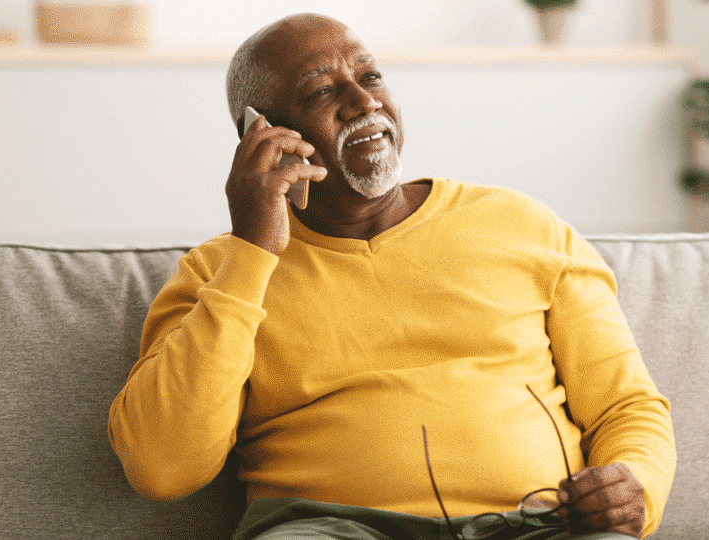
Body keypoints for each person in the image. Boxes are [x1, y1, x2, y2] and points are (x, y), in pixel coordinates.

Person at [108, 13, 675, 540]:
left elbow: (627, 407)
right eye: (321, 91)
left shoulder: (523, 225)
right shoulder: (221, 272)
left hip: (537, 523)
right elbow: (163, 465)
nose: (363, 102)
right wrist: (254, 249)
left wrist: (635, 486)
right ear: (262, 133)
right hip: (328, 529)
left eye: (371, 76)